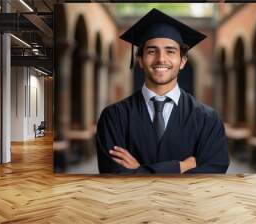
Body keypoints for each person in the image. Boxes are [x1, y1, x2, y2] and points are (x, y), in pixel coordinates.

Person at [96, 8, 229, 174]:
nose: (161, 59)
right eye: (152, 51)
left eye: (170, 51)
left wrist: (138, 171)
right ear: (140, 61)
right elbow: (113, 175)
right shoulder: (113, 117)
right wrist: (180, 167)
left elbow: (212, 175)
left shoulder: (208, 119)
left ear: (182, 61)